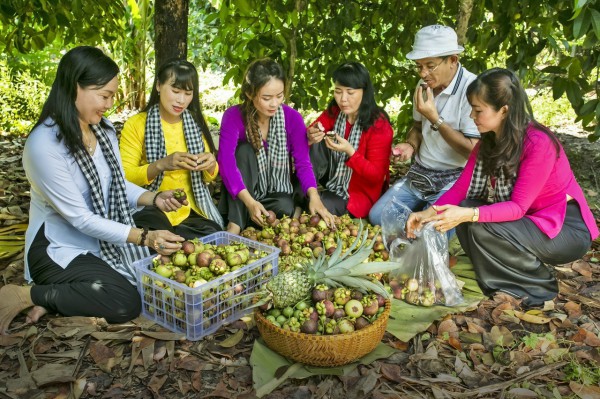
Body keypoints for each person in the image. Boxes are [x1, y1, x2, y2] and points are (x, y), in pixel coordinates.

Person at [0, 46, 185, 335]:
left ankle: (71, 292)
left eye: (112, 95)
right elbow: (80, 219)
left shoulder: (103, 129)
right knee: (124, 302)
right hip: (59, 246)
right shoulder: (44, 146)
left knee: (155, 215)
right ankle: (32, 294)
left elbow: (115, 183)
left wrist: (155, 197)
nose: (110, 103)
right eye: (105, 95)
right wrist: (144, 238)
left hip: (100, 235)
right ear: (76, 87)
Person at [406, 68, 599, 307]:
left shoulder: (538, 144)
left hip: (564, 228)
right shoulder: (488, 142)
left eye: (478, 110)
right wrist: (428, 213)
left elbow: (517, 208)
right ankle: (497, 277)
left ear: (504, 110)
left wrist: (469, 215)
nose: (472, 116)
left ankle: (538, 288)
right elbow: (460, 191)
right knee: (468, 211)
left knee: (477, 221)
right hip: (530, 222)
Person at [369, 25, 480, 226]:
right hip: (421, 174)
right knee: (377, 217)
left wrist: (436, 119)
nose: (423, 74)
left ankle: (431, 212)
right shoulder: (423, 86)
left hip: (455, 180)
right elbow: (418, 128)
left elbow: (473, 150)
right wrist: (410, 145)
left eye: (430, 66)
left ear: (453, 60)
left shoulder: (473, 89)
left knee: (430, 232)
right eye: (419, 66)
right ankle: (423, 210)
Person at [217, 58, 334, 234]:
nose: (274, 104)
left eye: (279, 96)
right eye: (266, 98)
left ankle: (254, 217)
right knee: (244, 151)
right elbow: (226, 164)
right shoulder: (233, 116)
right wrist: (249, 202)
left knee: (285, 205)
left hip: (272, 192)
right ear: (250, 93)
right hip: (242, 193)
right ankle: (235, 223)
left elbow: (303, 163)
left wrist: (314, 196)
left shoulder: (292, 118)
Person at [120, 59, 223, 239]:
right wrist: (161, 165)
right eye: (175, 91)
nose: (181, 100)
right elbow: (125, 176)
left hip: (189, 208)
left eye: (188, 93)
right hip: (151, 206)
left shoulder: (195, 123)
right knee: (156, 239)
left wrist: (209, 164)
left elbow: (210, 176)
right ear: (158, 86)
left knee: (212, 237)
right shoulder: (136, 124)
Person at [305, 62, 394, 218]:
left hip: (358, 192)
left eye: (350, 92)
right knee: (315, 142)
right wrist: (311, 134)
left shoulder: (379, 125)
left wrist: (350, 152)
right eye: (338, 91)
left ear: (364, 92)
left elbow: (376, 176)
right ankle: (303, 191)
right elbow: (313, 130)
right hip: (332, 178)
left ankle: (306, 199)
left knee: (319, 205)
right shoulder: (335, 111)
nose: (343, 99)